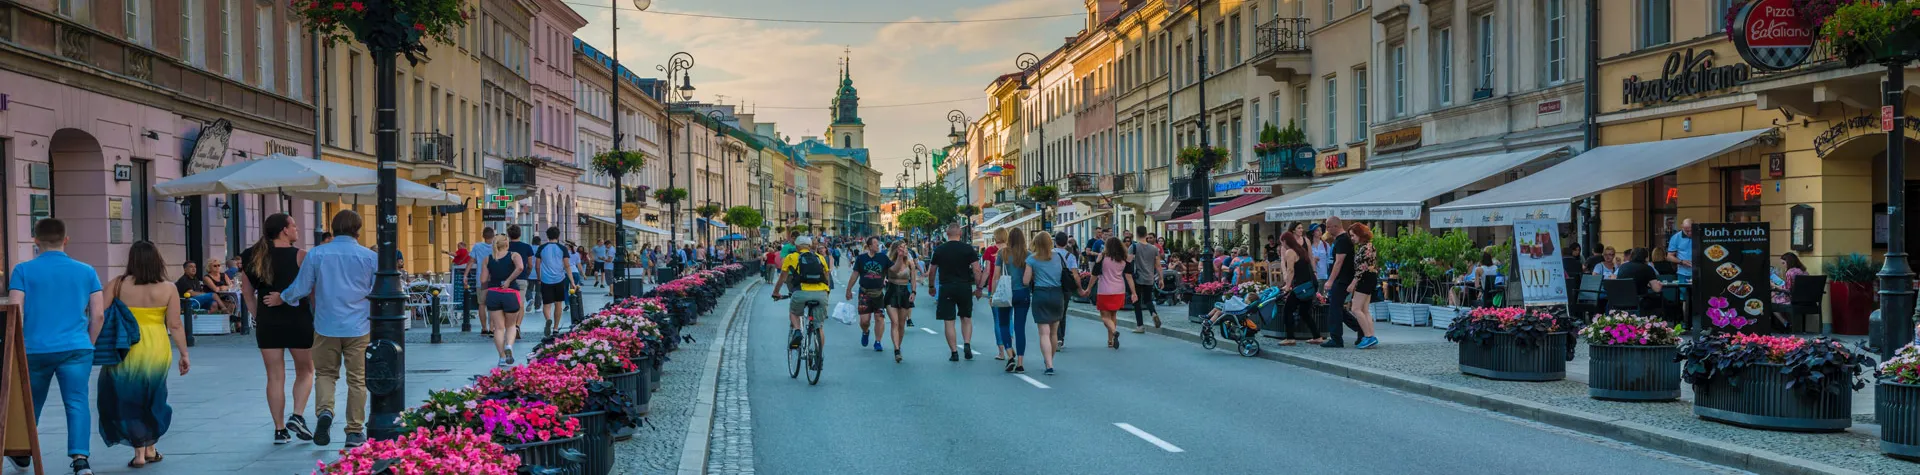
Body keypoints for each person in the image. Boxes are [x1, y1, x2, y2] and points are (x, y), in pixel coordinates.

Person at [263, 210, 376, 448]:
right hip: (358, 326)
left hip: (326, 326)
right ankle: (354, 431)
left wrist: (282, 298)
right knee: (357, 380)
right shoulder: (369, 257)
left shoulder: (317, 254)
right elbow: (377, 292)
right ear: (358, 228)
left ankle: (325, 411)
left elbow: (301, 287)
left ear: (333, 228)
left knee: (326, 374)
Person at [9, 219, 105, 475]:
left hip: (33, 349)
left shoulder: (23, 270)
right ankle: (80, 460)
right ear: (66, 239)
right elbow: (98, 315)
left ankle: (21, 452)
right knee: (76, 402)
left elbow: (15, 310)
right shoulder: (86, 271)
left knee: (30, 403)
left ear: (35, 240)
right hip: (76, 348)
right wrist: (89, 343)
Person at [98, 241, 190, 467]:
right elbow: (175, 324)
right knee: (152, 395)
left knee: (127, 397)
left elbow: (99, 315)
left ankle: (141, 452)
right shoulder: (168, 288)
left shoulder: (117, 284)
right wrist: (184, 354)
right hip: (156, 346)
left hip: (125, 345)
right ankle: (149, 448)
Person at [240, 213, 316, 445]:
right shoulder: (301, 256)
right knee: (306, 371)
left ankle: (279, 429)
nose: (297, 229)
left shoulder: (251, 256)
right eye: (294, 225)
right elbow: (310, 291)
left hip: (268, 321)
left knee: (274, 376)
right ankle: (298, 415)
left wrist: (258, 316)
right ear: (284, 230)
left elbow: (246, 292)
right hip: (298, 319)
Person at [926, 225, 985, 362]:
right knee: (966, 318)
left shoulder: (939, 250)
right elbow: (977, 269)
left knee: (949, 321)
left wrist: (931, 287)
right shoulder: (968, 249)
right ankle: (967, 344)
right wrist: (979, 288)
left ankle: (954, 352)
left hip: (946, 286)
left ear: (947, 234)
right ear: (960, 233)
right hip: (964, 286)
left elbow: (932, 270)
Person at [772, 236, 833, 350]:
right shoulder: (820, 257)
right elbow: (826, 276)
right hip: (821, 293)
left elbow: (782, 277)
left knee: (794, 313)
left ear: (797, 246)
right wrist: (827, 292)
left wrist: (776, 292)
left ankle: (797, 331)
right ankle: (819, 356)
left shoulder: (791, 257)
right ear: (810, 246)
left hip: (801, 292)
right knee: (819, 326)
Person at [478, 234, 525, 366]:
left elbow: (483, 280)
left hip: (493, 293)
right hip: (510, 293)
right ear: (507, 244)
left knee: (498, 328)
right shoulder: (514, 255)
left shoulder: (488, 259)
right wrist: (509, 280)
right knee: (510, 325)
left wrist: (485, 293)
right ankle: (509, 346)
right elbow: (520, 268)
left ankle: (502, 357)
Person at [1025, 231, 1066, 376]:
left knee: (1044, 332)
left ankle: (1048, 364)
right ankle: (1050, 360)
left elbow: (1025, 281)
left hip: (1040, 294)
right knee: (1054, 332)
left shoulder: (1032, 259)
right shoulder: (1059, 257)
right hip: (1056, 294)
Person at [1085, 237, 1137, 349]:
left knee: (1104, 317)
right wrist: (1133, 292)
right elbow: (1129, 276)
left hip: (1104, 290)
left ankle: (1114, 332)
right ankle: (1110, 341)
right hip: (1119, 290)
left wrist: (1089, 288)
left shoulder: (1102, 257)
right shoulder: (1124, 258)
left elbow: (1095, 274)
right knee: (1113, 315)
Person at [989, 230, 1030, 372]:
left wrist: (992, 295)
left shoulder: (1002, 253)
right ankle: (1020, 362)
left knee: (1004, 324)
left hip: (1006, 293)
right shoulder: (1027, 254)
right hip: (1023, 293)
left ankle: (1009, 354)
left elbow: (996, 275)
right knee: (1020, 328)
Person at [1321, 217, 1363, 348]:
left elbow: (1339, 262)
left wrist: (1330, 280)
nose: (1327, 230)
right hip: (1341, 279)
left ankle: (1336, 339)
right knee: (1338, 308)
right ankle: (1361, 329)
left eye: (1328, 227)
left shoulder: (1343, 240)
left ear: (1335, 226)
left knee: (1334, 308)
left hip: (1342, 280)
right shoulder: (1340, 240)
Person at [1276, 232, 1322, 346]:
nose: (1282, 245)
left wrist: (1287, 286)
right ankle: (1317, 336)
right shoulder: (1301, 250)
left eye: (1282, 243)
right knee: (1304, 312)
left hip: (1300, 287)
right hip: (1309, 285)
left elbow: (1291, 270)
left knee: (1287, 310)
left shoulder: (1290, 252)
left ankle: (1290, 338)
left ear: (1285, 241)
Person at [846, 237, 891, 352]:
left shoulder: (883, 257)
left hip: (879, 293)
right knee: (864, 321)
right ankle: (865, 332)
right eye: (875, 244)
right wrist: (848, 289)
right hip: (864, 293)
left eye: (878, 243)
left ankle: (878, 341)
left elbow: (893, 269)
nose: (878, 245)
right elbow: (855, 274)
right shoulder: (861, 258)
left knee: (879, 317)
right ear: (870, 246)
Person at [532, 227, 577, 336]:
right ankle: (556, 328)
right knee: (558, 304)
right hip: (559, 279)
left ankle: (548, 319)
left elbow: (537, 265)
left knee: (546, 304)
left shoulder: (541, 248)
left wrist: (539, 277)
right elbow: (567, 265)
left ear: (547, 236)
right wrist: (572, 281)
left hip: (545, 280)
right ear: (558, 236)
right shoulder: (562, 248)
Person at [1347, 223, 1381, 349]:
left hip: (1365, 279)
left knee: (1355, 308)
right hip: (1369, 278)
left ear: (1359, 234)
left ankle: (1368, 336)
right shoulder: (1367, 246)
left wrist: (1353, 284)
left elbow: (1362, 268)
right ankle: (1371, 335)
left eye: (1353, 235)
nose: (1352, 238)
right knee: (1365, 309)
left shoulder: (1365, 248)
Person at [883, 241, 918, 363]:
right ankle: (896, 350)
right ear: (896, 250)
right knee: (895, 322)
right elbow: (894, 272)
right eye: (901, 248)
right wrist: (899, 257)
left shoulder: (909, 262)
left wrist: (913, 292)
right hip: (892, 292)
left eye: (905, 247)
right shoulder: (890, 261)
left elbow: (913, 278)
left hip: (904, 292)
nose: (904, 250)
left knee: (902, 324)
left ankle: (898, 345)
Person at [1129, 226, 1162, 333]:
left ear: (1137, 234)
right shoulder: (1154, 249)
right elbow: (1158, 265)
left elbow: (1128, 262)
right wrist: (1161, 279)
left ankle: (1140, 326)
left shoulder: (1133, 247)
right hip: (1149, 278)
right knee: (1148, 299)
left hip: (1137, 278)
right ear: (1146, 234)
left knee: (1136, 302)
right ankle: (1153, 313)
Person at [1615, 247, 1666, 316]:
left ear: (1631, 255)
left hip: (1620, 300)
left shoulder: (1622, 267)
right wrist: (1659, 285)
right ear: (1646, 257)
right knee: (1661, 300)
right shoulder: (1647, 268)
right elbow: (1656, 289)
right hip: (1639, 300)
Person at [1053, 232, 1081, 350]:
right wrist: (1079, 288)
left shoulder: (1050, 254)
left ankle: (1055, 336)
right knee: (1062, 313)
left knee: (1054, 313)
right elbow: (1075, 275)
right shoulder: (1071, 256)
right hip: (1066, 287)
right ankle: (1060, 338)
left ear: (1055, 242)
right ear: (1066, 243)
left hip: (1053, 286)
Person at [1771, 252, 1810, 331]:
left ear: (1789, 262)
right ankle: (1789, 325)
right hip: (1806, 300)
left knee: (1771, 300)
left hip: (1792, 300)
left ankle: (1785, 323)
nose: (1783, 265)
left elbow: (1788, 289)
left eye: (1783, 263)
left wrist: (1774, 286)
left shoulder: (1790, 272)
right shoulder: (1804, 272)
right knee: (1776, 296)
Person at [471, 228, 497, 336]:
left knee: (481, 304)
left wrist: (465, 275)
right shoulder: (496, 247)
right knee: (492, 305)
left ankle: (484, 328)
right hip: (494, 278)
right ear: (493, 236)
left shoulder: (477, 246)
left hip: (481, 278)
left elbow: (471, 261)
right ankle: (492, 328)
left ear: (483, 235)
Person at [506, 225, 537, 314]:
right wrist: (526, 274)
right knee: (520, 302)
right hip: (522, 277)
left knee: (508, 303)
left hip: (507, 278)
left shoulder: (505, 247)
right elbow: (530, 265)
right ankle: (517, 325)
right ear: (520, 234)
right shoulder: (527, 247)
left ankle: (510, 324)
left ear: (508, 235)